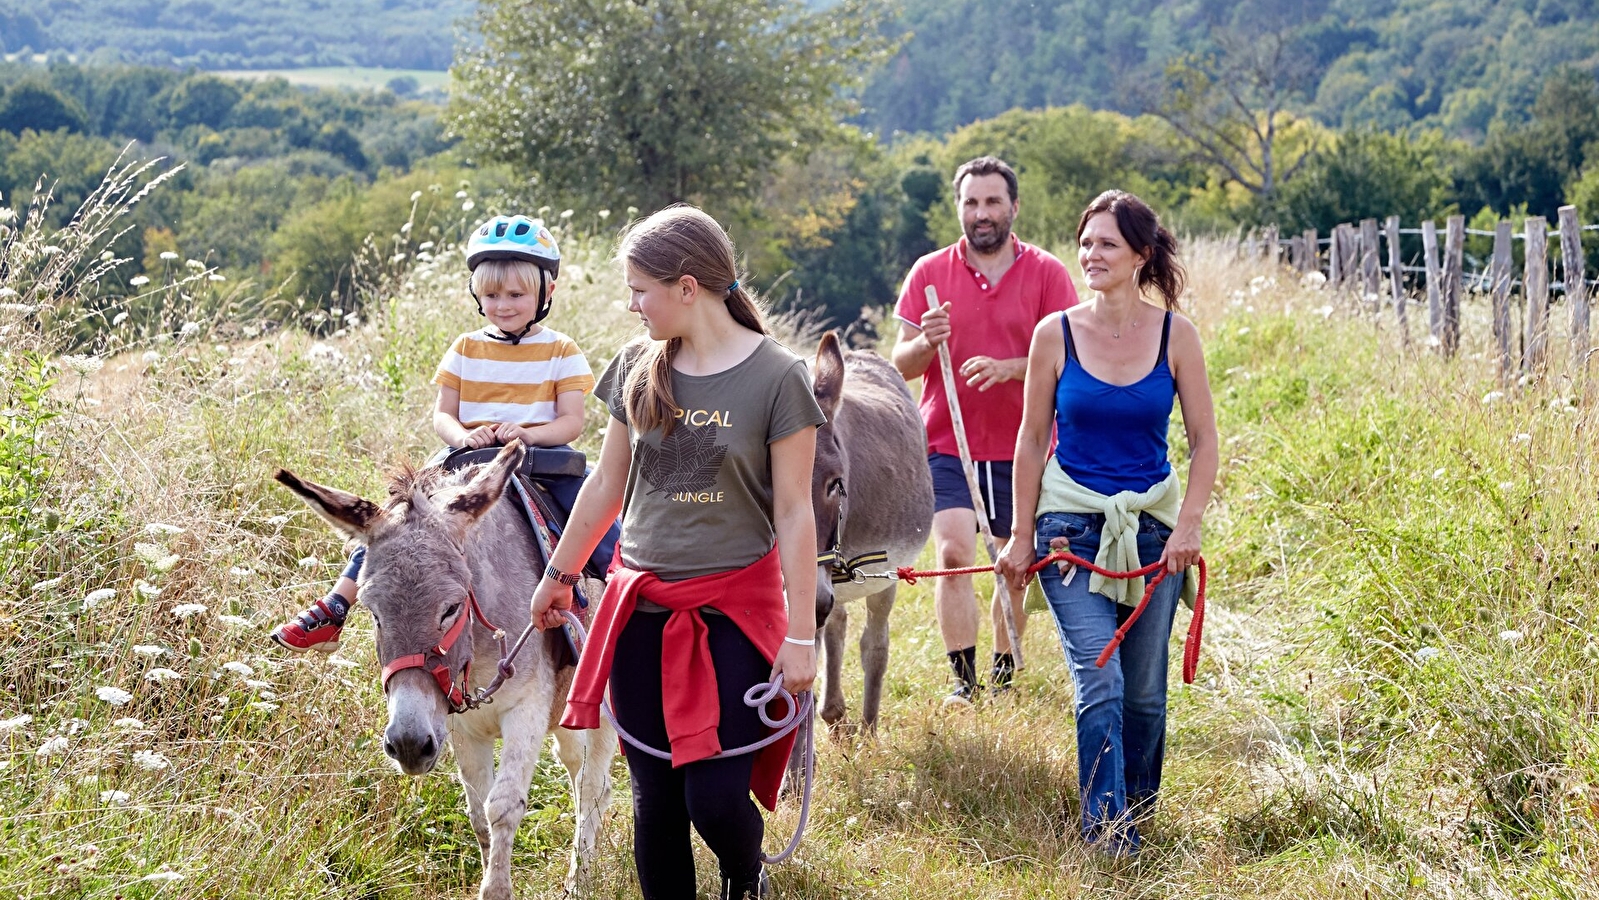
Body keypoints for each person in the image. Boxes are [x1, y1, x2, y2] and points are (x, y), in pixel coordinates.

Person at [529, 205, 824, 900]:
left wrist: (803, 634)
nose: (631, 305)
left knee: (714, 800)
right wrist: (559, 574)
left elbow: (794, 510)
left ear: (687, 287)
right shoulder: (636, 365)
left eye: (640, 290)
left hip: (733, 615)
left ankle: (743, 879)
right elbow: (605, 484)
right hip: (639, 613)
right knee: (654, 800)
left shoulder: (779, 377)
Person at [271, 214, 620, 652]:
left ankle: (627, 596)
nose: (504, 305)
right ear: (477, 295)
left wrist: (529, 433)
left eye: (516, 294)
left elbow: (572, 422)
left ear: (546, 292)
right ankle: (338, 604)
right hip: (465, 464)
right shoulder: (464, 348)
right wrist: (461, 437)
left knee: (598, 518)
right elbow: (443, 415)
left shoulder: (561, 350)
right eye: (491, 295)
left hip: (542, 463)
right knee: (397, 523)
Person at [995, 190, 1217, 856]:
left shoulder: (1176, 336)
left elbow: (1204, 440)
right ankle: (1108, 830)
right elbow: (1031, 441)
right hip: (1069, 532)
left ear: (1140, 255)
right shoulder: (1053, 335)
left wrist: (1188, 525)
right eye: (1084, 242)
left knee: (1145, 696)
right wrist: (1017, 533)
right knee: (1100, 681)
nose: (1090, 255)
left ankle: (1136, 809)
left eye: (1106, 244)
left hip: (1152, 533)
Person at [891, 156, 1078, 704]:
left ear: (1014, 207)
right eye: (971, 203)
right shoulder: (929, 273)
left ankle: (1003, 675)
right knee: (952, 555)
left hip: (1026, 445)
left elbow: (1070, 357)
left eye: (993, 201)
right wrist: (928, 342)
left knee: (1011, 562)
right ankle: (963, 684)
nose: (981, 213)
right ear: (958, 208)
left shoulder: (1047, 273)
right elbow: (899, 363)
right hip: (949, 445)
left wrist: (1012, 369)